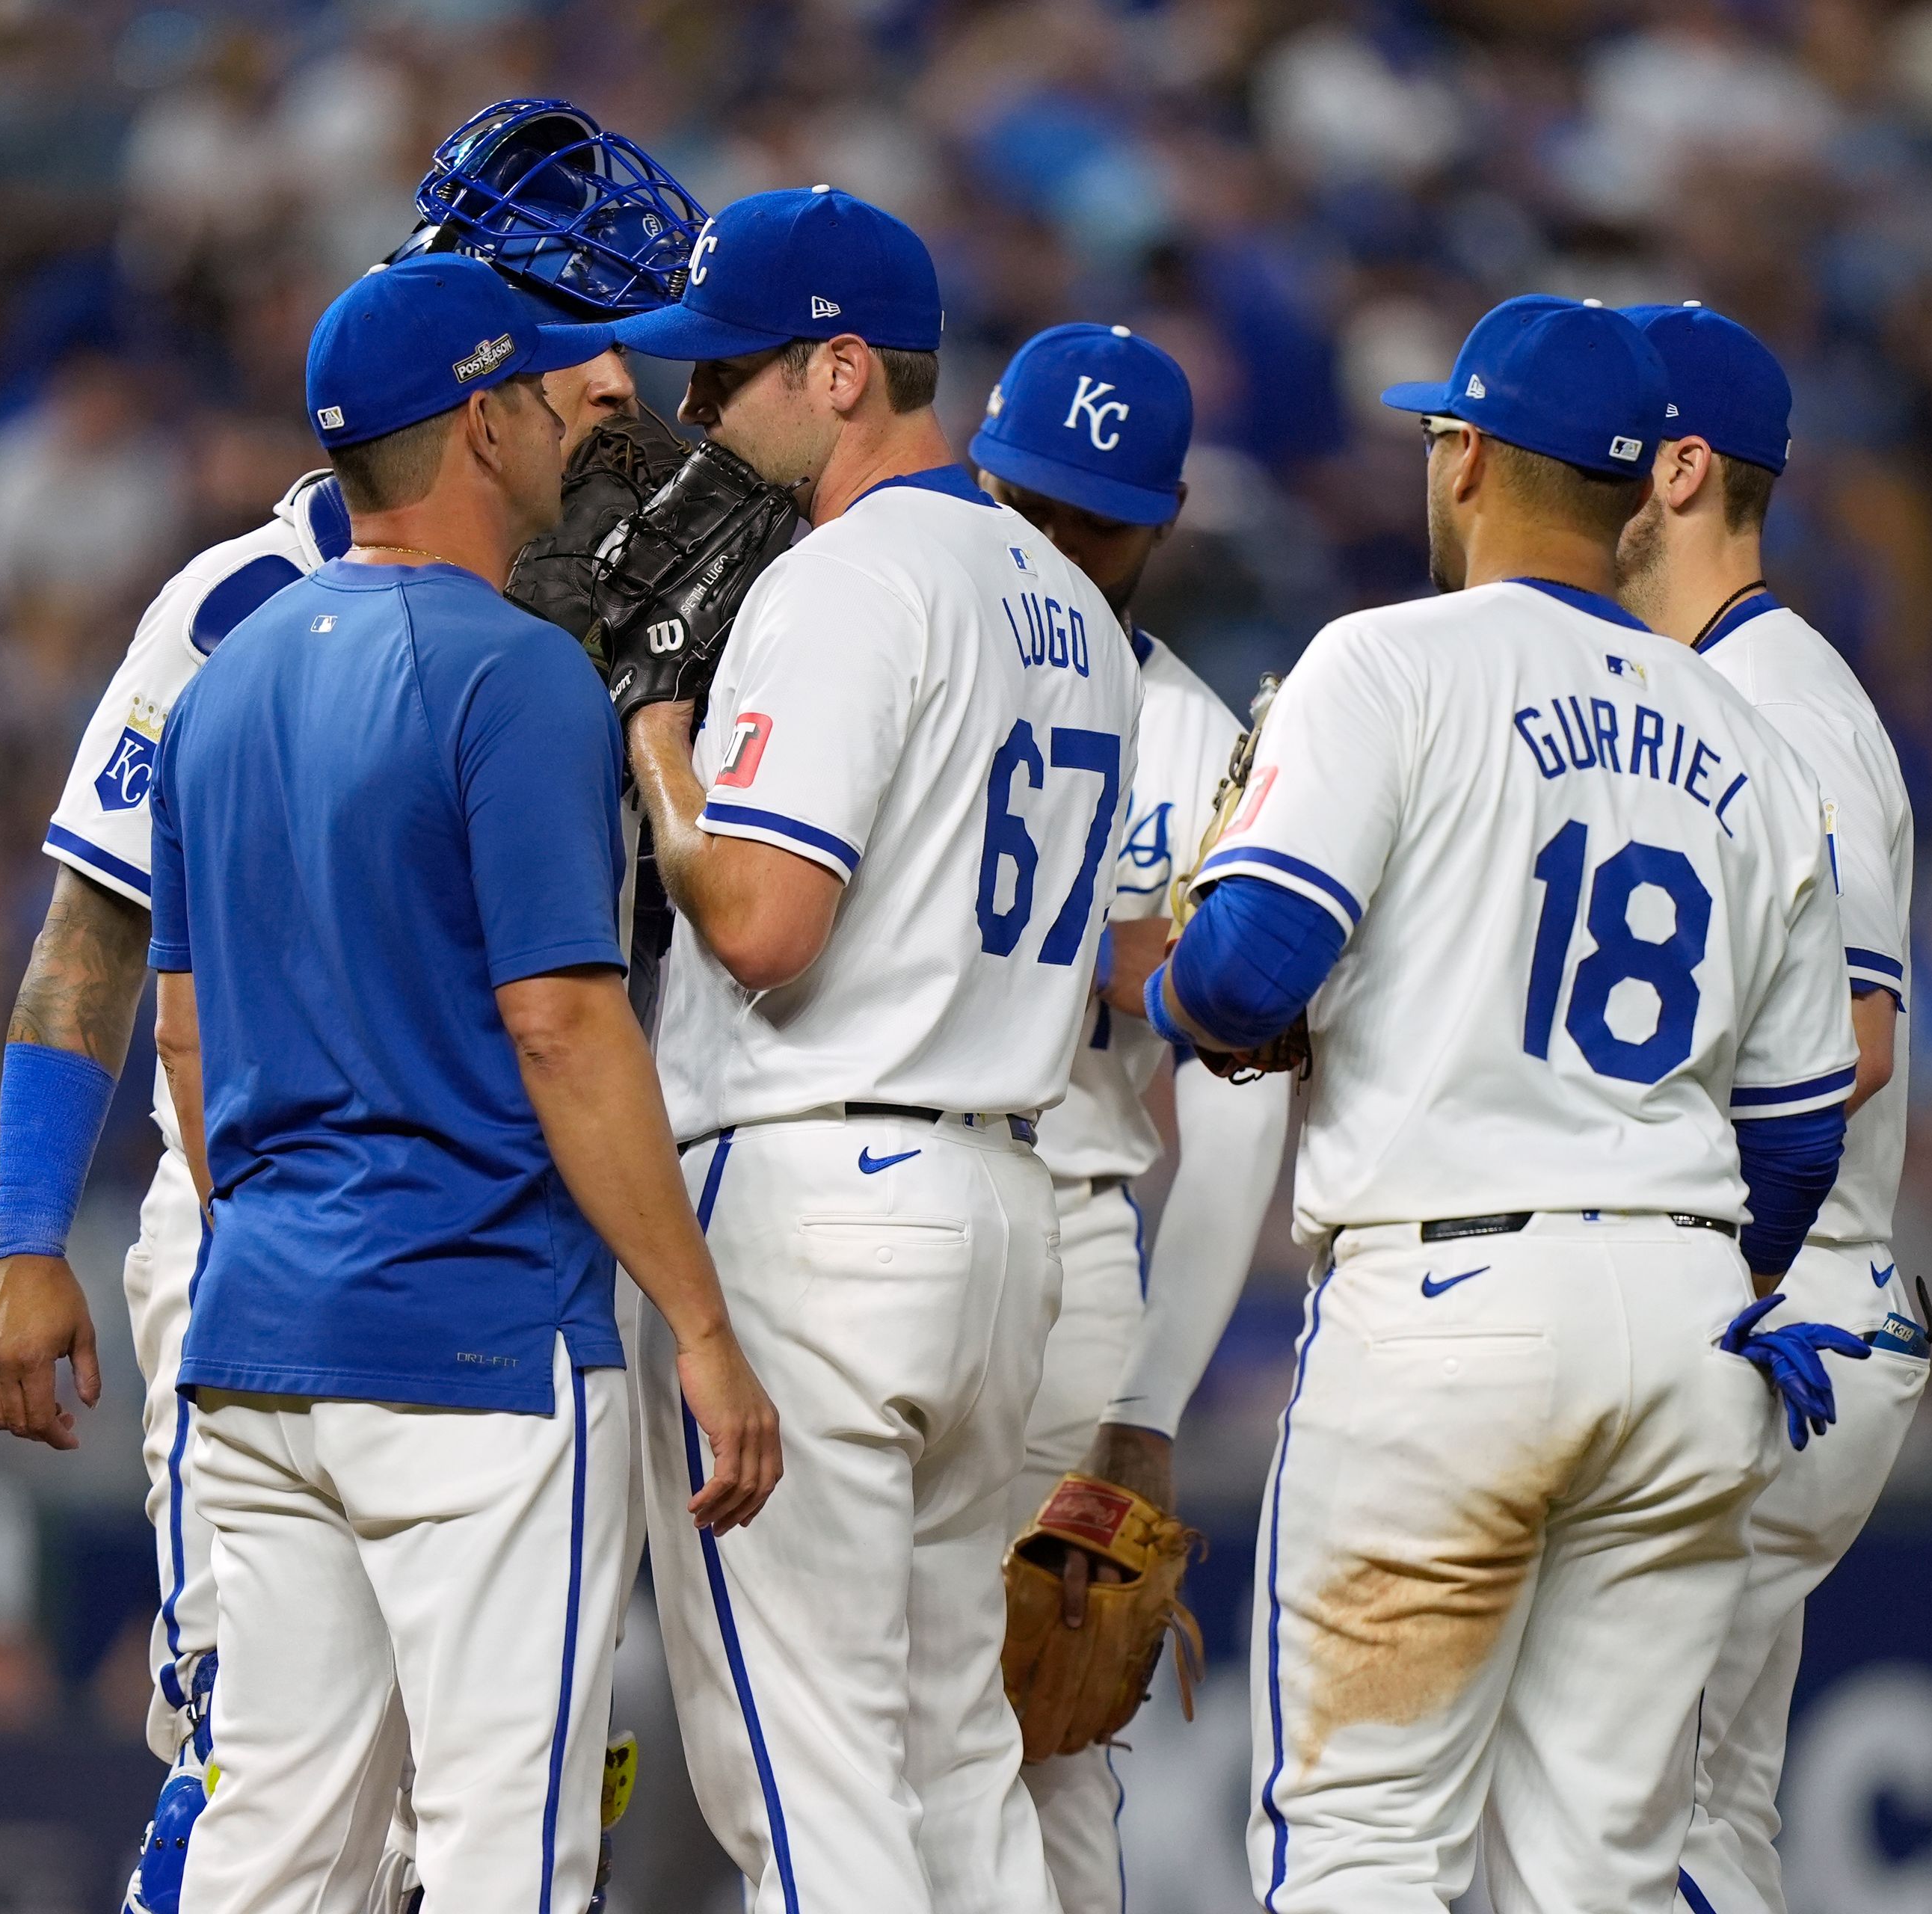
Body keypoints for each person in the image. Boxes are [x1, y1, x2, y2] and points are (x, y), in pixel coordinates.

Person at [0, 97, 704, 1904]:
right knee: (274, 1789)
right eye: (581, 337)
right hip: (296, 1244)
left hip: (523, 1252)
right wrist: (19, 1228)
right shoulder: (242, 600)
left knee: (487, 1803)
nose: (621, 383)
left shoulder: (620, 605)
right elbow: (92, 941)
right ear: (483, 373)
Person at [1140, 295, 1863, 1914]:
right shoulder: (1746, 732)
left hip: (1448, 1301)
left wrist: (1181, 995)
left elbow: (1250, 970)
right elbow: (1802, 1132)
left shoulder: (1388, 661)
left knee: (1366, 1845)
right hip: (1688, 1318)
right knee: (1597, 1872)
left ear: (1462, 457)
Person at [146, 256, 778, 1911]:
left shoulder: (223, 687)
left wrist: (294, 1246)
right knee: (510, 1851)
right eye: (541, 386)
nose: (577, 410)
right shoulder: (518, 672)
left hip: (265, 1337)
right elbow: (566, 1027)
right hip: (479, 1343)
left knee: (271, 1840)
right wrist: (703, 1329)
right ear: (481, 419)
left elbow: (187, 1043)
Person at [606, 187, 1142, 1914]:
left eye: (730, 374)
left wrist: (659, 749)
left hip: (820, 1197)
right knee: (958, 1756)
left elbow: (760, 924)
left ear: (843, 370)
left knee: (807, 1768)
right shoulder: (1066, 603)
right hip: (1001, 1197)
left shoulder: (846, 577)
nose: (698, 411)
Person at [965, 320, 1291, 1914]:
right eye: (1030, 504)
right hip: (903, 1211)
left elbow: (1240, 1102)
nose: (1056, 544)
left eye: (1089, 520)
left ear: (1159, 525)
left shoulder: (1197, 736)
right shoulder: (890, 647)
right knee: (869, 1740)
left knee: (1045, 1738)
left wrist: (1154, 1393)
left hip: (1066, 1227)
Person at [1614, 301, 1927, 1914]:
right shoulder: (1704, 680)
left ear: (1677, 471)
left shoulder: (1778, 697)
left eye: (1593, 438)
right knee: (1698, 1823)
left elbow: (1853, 1032)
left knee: (1609, 1814)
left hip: (1782, 1298)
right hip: (1793, 1295)